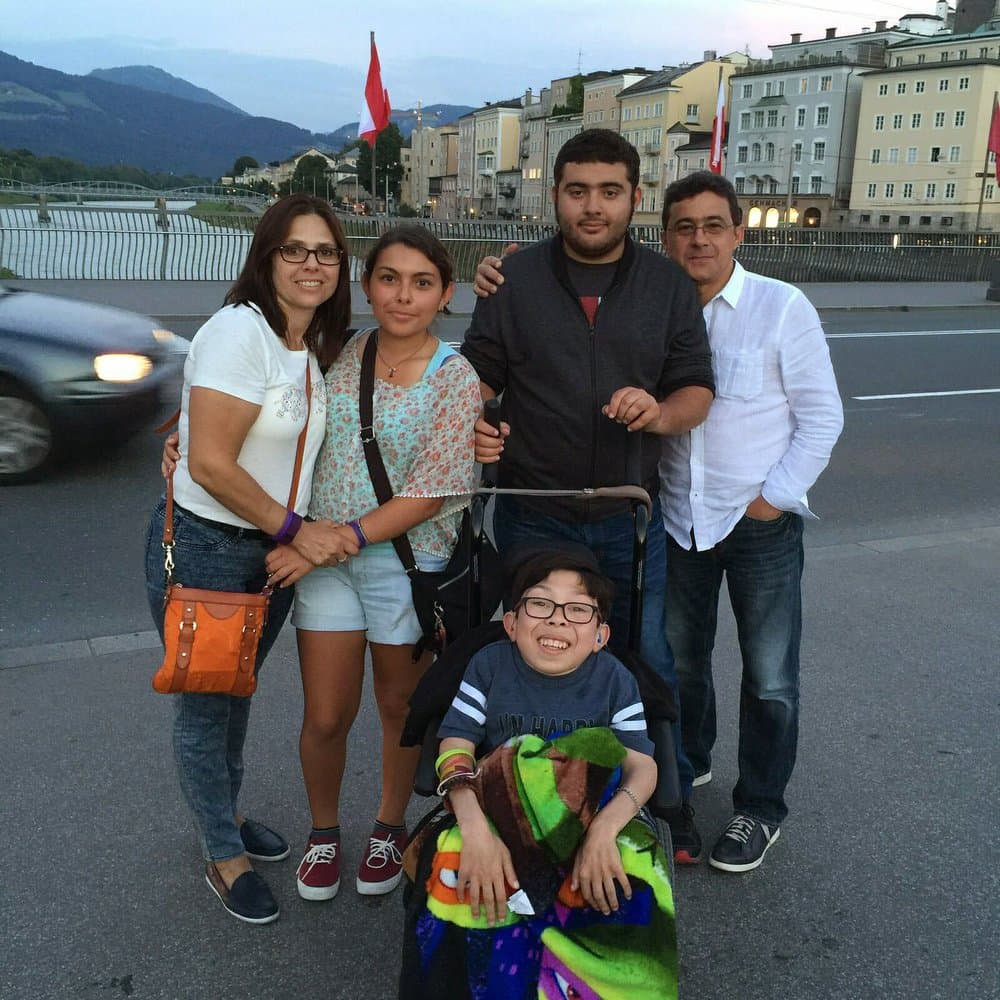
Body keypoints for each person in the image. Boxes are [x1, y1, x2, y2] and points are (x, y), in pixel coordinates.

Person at [465, 128, 715, 864]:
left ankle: (667, 804)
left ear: (634, 198)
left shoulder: (668, 285)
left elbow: (696, 386)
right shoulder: (513, 279)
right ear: (556, 196)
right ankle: (525, 800)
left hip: (629, 519)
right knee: (532, 657)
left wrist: (660, 413)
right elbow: (478, 374)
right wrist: (470, 416)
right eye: (578, 191)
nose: (593, 206)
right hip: (532, 511)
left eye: (610, 191)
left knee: (647, 663)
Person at [143, 194, 356, 924]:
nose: (311, 264)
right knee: (207, 708)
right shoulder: (243, 331)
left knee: (235, 695)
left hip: (262, 553)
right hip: (211, 546)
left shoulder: (304, 343)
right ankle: (220, 851)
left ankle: (221, 816)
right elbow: (208, 462)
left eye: (325, 252)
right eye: (294, 250)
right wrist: (297, 528)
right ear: (265, 257)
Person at [263, 226, 482, 903]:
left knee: (398, 709)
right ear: (367, 286)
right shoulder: (340, 351)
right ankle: (324, 830)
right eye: (389, 278)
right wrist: (192, 439)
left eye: (422, 283)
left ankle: (389, 825)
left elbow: (428, 494)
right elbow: (274, 416)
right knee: (326, 714)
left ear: (446, 294)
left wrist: (331, 539)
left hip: (407, 567)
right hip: (324, 562)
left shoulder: (456, 377)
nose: (403, 295)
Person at [659, 171, 844, 872]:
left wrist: (773, 498)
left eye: (713, 225)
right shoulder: (656, 308)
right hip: (679, 520)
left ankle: (760, 807)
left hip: (758, 522)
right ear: (667, 236)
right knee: (679, 661)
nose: (699, 238)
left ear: (739, 232)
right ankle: (691, 763)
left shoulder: (780, 306)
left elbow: (822, 416)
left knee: (769, 676)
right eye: (684, 226)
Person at [399, 548, 675, 998]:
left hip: (593, 811)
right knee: (449, 860)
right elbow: (455, 746)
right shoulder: (489, 666)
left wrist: (603, 831)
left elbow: (641, 765)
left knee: (633, 873)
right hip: (497, 805)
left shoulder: (614, 679)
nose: (558, 620)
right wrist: (476, 830)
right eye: (540, 603)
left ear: (600, 634)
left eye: (578, 610)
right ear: (512, 623)